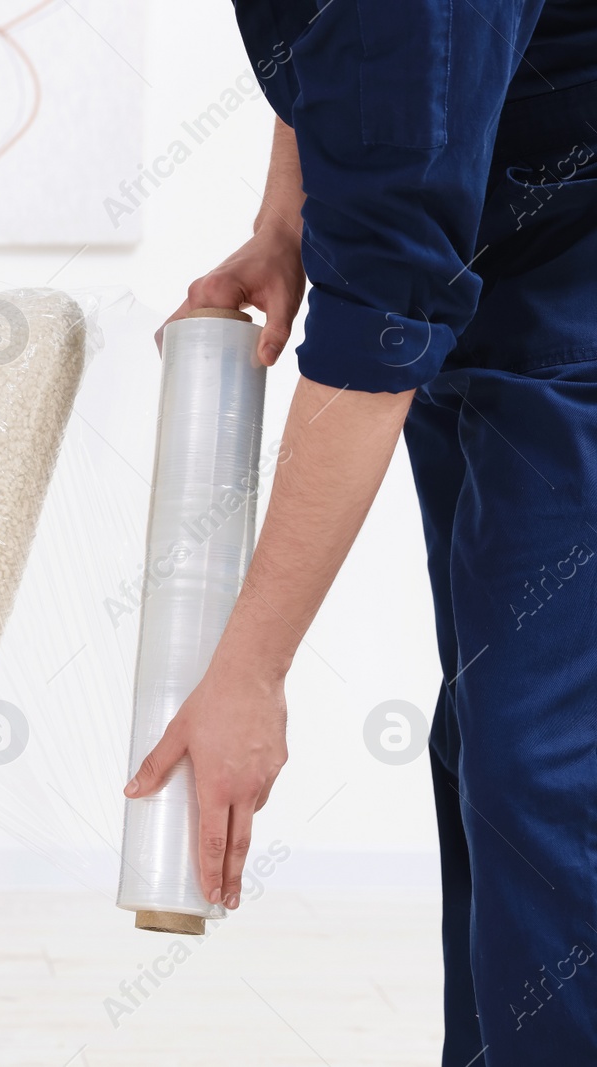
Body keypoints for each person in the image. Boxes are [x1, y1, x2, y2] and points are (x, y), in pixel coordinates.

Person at [122, 1, 597, 1061]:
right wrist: (286, 224)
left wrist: (247, 669)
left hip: (567, 289)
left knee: (546, 767)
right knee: (487, 743)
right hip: (491, 275)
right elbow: (342, 65)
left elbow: (376, 331)